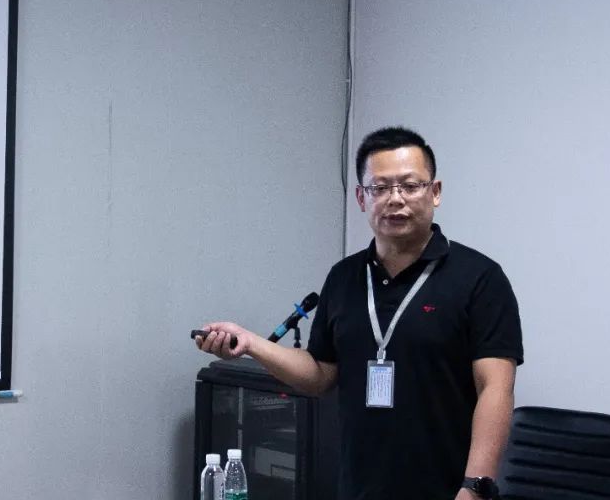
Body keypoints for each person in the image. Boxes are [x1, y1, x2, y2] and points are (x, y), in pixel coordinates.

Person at [197, 126, 523, 500]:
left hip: (448, 489)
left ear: (435, 192)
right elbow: (319, 374)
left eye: (410, 186)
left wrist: (475, 487)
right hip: (359, 487)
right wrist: (251, 343)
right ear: (361, 198)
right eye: (379, 188)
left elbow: (495, 388)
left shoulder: (480, 278)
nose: (395, 199)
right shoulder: (344, 277)